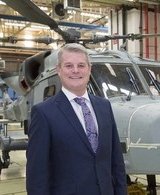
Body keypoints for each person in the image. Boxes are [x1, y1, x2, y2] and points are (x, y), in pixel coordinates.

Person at [26, 43, 127, 195]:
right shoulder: (43, 113)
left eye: (81, 65)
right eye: (68, 66)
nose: (75, 70)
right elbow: (36, 175)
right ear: (58, 70)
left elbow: (116, 162)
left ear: (89, 69)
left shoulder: (104, 106)